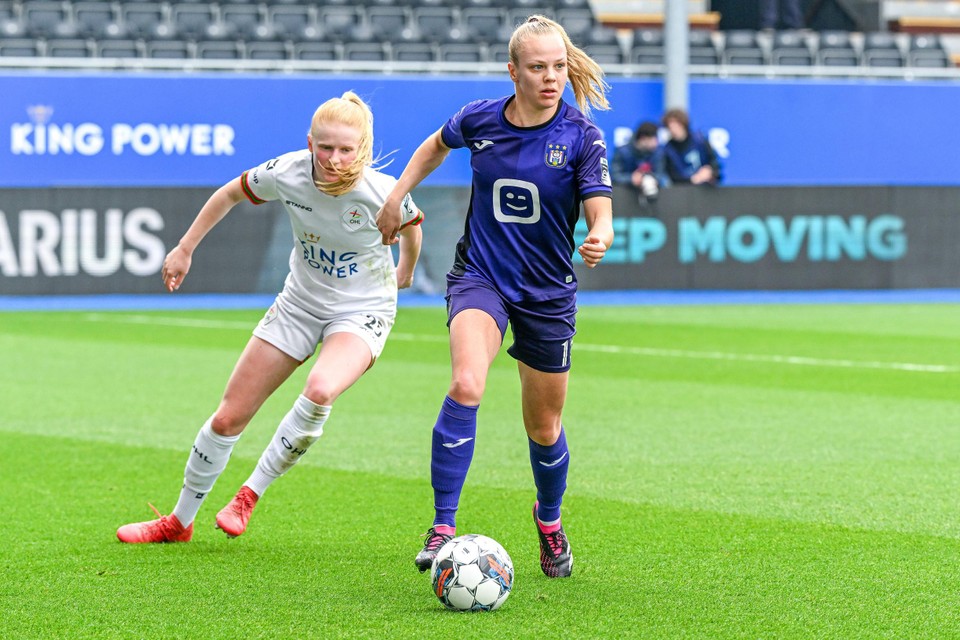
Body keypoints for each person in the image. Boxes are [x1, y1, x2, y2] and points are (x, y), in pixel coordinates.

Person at [116, 91, 423, 544]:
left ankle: (248, 494)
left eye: (345, 150)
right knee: (226, 419)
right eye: (324, 147)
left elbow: (414, 227)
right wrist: (184, 248)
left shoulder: (381, 192)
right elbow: (229, 194)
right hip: (299, 302)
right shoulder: (288, 171)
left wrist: (406, 272)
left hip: (362, 310)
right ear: (309, 142)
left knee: (320, 388)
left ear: (363, 149)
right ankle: (178, 522)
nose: (334, 159)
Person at [376, 15, 614, 579]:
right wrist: (398, 194)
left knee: (544, 428)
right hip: (481, 276)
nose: (551, 77)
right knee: (466, 382)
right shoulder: (480, 119)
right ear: (514, 71)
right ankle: (442, 527)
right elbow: (435, 146)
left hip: (547, 293)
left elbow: (599, 212)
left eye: (558, 66)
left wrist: (599, 234)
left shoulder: (581, 136)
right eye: (537, 67)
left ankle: (549, 520)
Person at [661, 107, 721, 186]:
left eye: (676, 125)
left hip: (707, 189)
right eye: (670, 127)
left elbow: (714, 163)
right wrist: (693, 179)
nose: (673, 130)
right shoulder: (668, 149)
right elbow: (672, 176)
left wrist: (710, 172)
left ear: (683, 124)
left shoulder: (700, 140)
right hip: (685, 192)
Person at [611, 120, 665, 201]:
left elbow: (661, 174)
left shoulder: (657, 152)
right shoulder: (622, 152)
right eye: (653, 139)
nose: (656, 143)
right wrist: (631, 179)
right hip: (624, 196)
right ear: (643, 138)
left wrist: (652, 179)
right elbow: (615, 176)